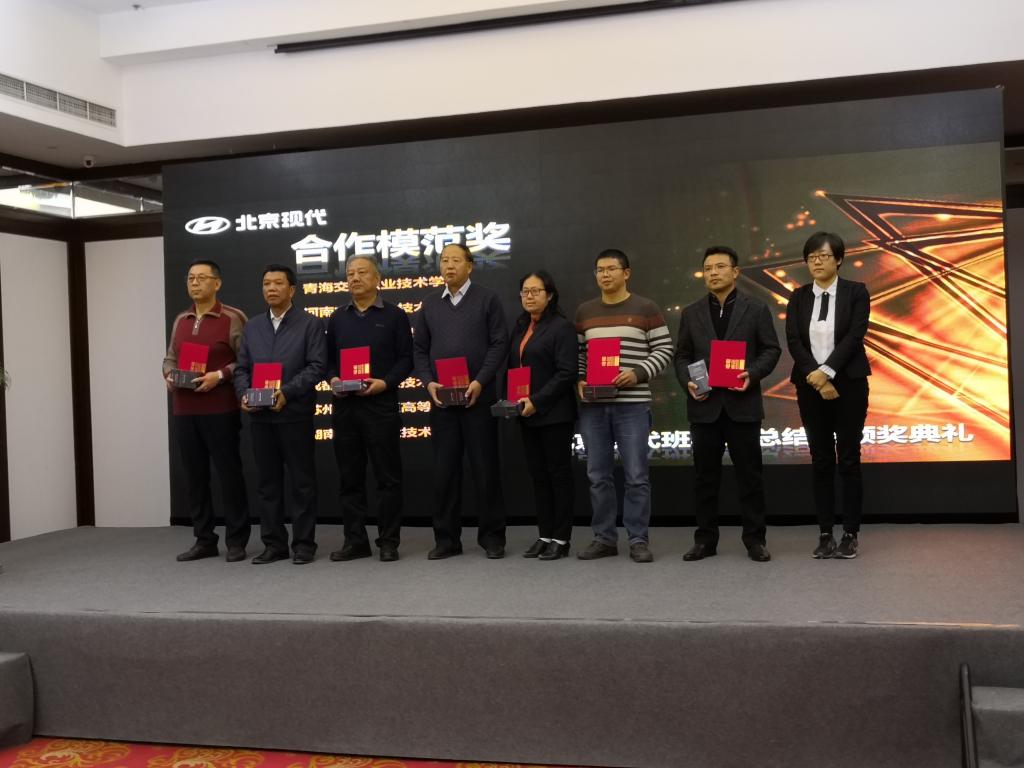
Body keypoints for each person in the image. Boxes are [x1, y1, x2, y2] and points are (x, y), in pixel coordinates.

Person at [674, 245, 781, 563]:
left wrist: (753, 373)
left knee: (750, 477)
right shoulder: (691, 313)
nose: (713, 273)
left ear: (735, 272)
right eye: (707, 268)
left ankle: (755, 540)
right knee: (704, 479)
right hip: (704, 407)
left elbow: (771, 350)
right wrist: (687, 381)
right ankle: (705, 540)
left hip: (742, 404)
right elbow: (682, 356)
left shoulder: (756, 308)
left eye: (720, 267)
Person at [574, 249, 673, 563]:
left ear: (626, 273)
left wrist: (638, 373)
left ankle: (638, 540)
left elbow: (665, 349)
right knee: (597, 475)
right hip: (593, 406)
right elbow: (579, 355)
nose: (604, 275)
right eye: (599, 270)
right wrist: (580, 380)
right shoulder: (585, 311)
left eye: (611, 269)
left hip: (632, 405)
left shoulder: (646, 308)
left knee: (636, 475)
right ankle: (604, 538)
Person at [412, 242, 508, 560]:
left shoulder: (487, 299)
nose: (449, 265)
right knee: (444, 472)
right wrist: (428, 383)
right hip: (443, 402)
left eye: (455, 260)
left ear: (470, 265)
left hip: (478, 398)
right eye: (444, 260)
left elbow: (499, 344)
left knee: (485, 469)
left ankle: (492, 537)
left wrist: (481, 381)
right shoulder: (429, 304)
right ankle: (446, 539)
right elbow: (419, 350)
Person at [786, 232, 871, 559]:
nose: (817, 262)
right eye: (811, 257)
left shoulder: (856, 292)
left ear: (839, 259)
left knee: (848, 459)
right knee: (821, 460)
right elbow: (794, 340)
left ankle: (850, 533)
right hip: (810, 385)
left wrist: (829, 372)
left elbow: (854, 336)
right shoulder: (798, 297)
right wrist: (818, 378)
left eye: (823, 256)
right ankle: (825, 533)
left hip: (849, 384)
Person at [234, 264, 326, 565]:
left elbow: (316, 366)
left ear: (292, 289)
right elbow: (242, 368)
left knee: (302, 483)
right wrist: (244, 393)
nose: (271, 289)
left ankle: (304, 544)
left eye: (277, 283)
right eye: (266, 284)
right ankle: (274, 544)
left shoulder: (309, 324)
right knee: (267, 484)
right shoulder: (253, 327)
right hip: (260, 417)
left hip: (294, 414)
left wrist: (286, 392)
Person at [325, 255, 413, 563]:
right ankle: (355, 541)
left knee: (388, 478)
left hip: (380, 406)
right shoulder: (337, 318)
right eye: (350, 274)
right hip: (345, 408)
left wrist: (385, 383)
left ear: (378, 279)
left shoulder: (395, 316)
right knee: (350, 479)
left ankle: (388, 541)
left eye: (362, 272)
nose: (355, 278)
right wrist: (333, 379)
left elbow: (406, 359)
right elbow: (328, 361)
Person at [163, 259, 250, 562]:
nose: (195, 283)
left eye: (201, 278)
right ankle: (204, 539)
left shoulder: (233, 317)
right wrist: (169, 374)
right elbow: (170, 358)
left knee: (229, 474)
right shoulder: (181, 319)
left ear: (217, 283)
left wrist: (220, 375)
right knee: (195, 476)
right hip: (185, 408)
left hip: (220, 408)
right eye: (190, 278)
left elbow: (247, 360)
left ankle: (236, 540)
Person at [508, 270, 578, 560]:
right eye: (525, 291)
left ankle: (561, 538)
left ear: (549, 295)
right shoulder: (522, 326)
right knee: (539, 477)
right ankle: (545, 534)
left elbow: (567, 373)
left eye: (536, 291)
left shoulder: (561, 327)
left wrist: (536, 401)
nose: (529, 296)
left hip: (554, 414)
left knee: (558, 476)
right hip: (527, 413)